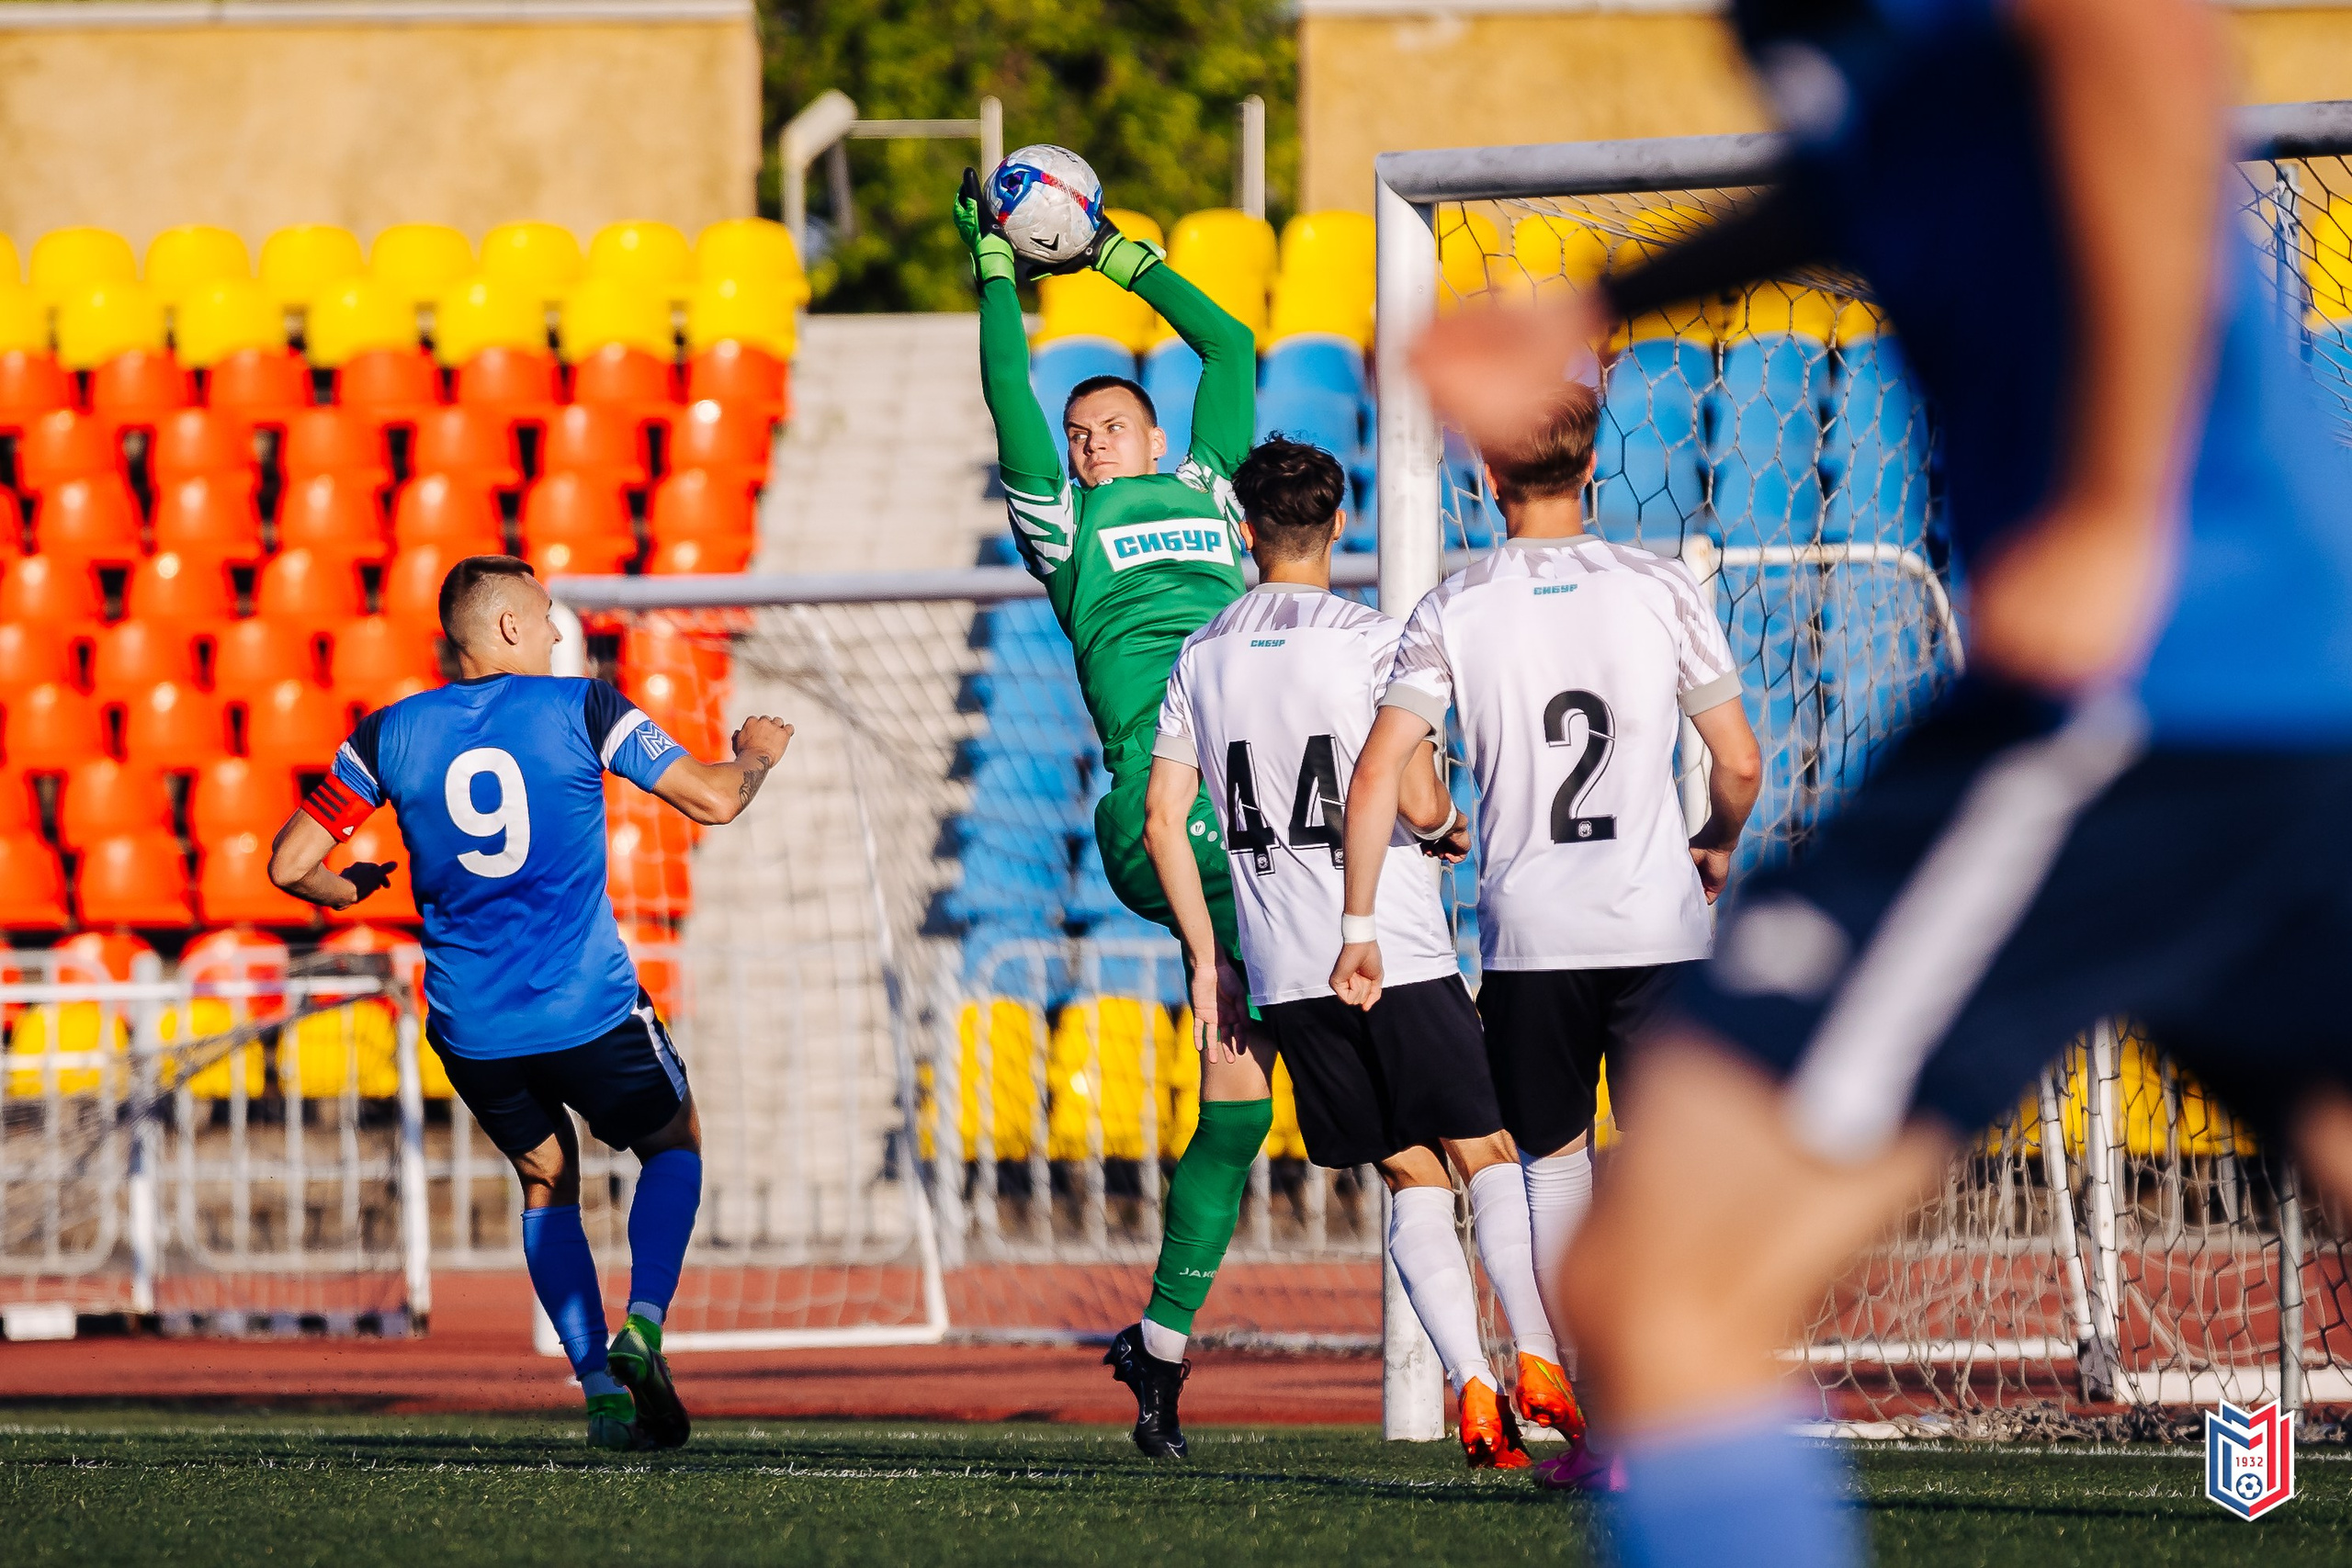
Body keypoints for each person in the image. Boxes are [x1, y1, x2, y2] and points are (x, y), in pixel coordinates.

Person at [1411, 0, 2352, 1562]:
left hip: (2149, 693)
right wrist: (1601, 294)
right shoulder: (1892, 72)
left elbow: (2138, 35)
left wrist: (2121, 498)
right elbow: (1890, 160)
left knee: (1660, 1286)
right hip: (2279, 688)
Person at [267, 556, 792, 1453]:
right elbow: (711, 802)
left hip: (473, 1026)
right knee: (675, 1144)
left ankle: (600, 1395)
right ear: (508, 628)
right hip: (585, 1007)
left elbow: (285, 865)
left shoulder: (387, 735)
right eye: (547, 618)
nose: (557, 634)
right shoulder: (581, 709)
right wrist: (752, 754)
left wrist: (344, 888)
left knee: (547, 1175)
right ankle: (645, 1327)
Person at [1333, 389, 1760, 1488]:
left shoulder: (1454, 604)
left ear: (1486, 480)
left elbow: (1380, 772)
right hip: (1659, 924)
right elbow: (1741, 763)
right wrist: (1713, 845)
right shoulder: (1660, 585)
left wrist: (1361, 921)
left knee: (1553, 1168)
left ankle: (1593, 1404)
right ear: (1592, 474)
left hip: (1531, 938)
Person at [1142, 437, 1584, 1469]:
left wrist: (1211, 963)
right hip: (1389, 943)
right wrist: (1440, 825)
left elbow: (1167, 819)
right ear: (1340, 525)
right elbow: (1420, 795)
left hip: (1288, 964)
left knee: (1405, 1174)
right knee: (1484, 1155)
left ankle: (1469, 1387)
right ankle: (1532, 1359)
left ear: (1243, 533)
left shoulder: (1199, 657)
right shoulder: (1374, 638)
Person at [954, 169, 1274, 1458]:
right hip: (1165, 808)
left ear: (1157, 441)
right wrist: (997, 266)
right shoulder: (1062, 520)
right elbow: (1006, 395)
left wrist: (1110, 256)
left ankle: (1161, 1339)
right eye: (1078, 428)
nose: (1086, 439)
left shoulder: (1211, 486)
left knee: (1241, 1102)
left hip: (1257, 802)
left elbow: (1232, 342)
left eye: (1108, 425)